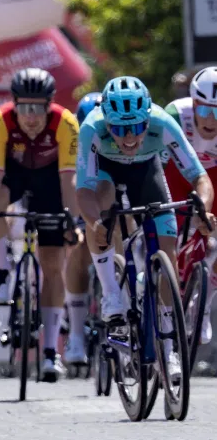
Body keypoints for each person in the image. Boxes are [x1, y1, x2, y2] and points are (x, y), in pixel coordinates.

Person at [76, 75, 215, 380]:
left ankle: (168, 348)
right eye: (119, 129)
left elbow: (199, 177)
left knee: (167, 251)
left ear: (147, 119)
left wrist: (203, 210)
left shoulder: (162, 123)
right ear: (106, 121)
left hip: (147, 172)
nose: (129, 138)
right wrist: (95, 223)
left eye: (137, 127)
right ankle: (111, 294)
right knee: (102, 205)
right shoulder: (92, 128)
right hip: (106, 174)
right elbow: (83, 190)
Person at [0, 68, 88, 380]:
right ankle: (2, 269)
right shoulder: (0, 120)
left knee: (53, 264)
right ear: (14, 104)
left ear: (49, 105)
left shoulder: (65, 122)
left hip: (50, 180)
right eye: (24, 108)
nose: (31, 117)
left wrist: (72, 220)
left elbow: (69, 181)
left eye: (38, 108)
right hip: (13, 174)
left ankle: (50, 352)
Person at [163, 66, 217, 344]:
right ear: (193, 104)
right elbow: (156, 168)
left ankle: (204, 302)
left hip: (213, 175)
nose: (210, 120)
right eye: (204, 110)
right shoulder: (175, 115)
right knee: (164, 226)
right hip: (177, 172)